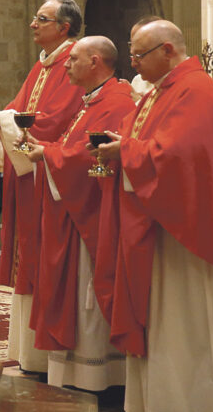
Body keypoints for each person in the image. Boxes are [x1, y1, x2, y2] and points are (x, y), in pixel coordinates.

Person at [95, 19, 213, 412]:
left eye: (140, 55)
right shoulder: (164, 91)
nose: (134, 63)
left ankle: (188, 409)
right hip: (162, 222)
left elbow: (181, 156)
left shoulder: (196, 91)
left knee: (184, 318)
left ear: (168, 51)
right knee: (162, 315)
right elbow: (148, 141)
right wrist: (122, 144)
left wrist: (127, 151)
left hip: (188, 230)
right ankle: (162, 403)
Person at [0, 0, 85, 373]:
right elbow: (20, 108)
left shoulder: (72, 63)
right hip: (31, 176)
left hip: (50, 175)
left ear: (64, 27)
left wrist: (5, 121)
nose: (32, 24)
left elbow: (53, 121)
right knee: (28, 252)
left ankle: (43, 349)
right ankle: (29, 348)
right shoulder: (42, 66)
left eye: (41, 18)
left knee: (43, 255)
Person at [23, 36, 133, 392]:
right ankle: (75, 371)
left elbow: (96, 156)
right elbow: (77, 147)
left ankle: (96, 374)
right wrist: (51, 150)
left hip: (91, 217)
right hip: (73, 212)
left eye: (73, 60)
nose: (66, 65)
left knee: (88, 295)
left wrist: (50, 156)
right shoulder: (92, 101)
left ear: (96, 62)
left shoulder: (115, 100)